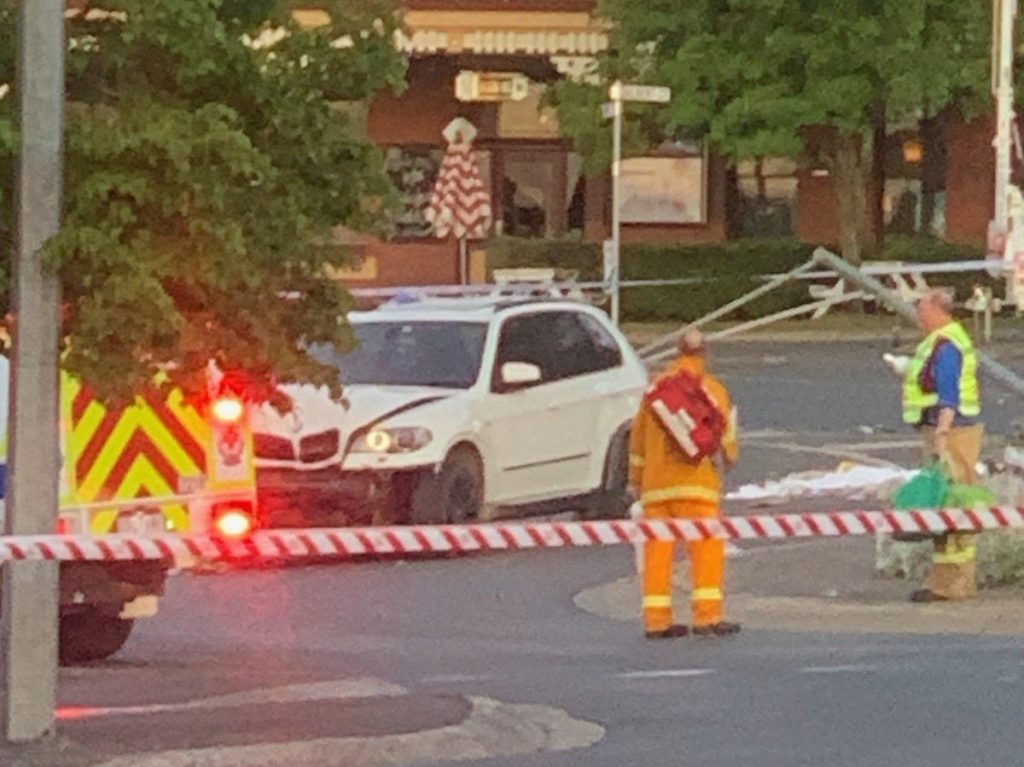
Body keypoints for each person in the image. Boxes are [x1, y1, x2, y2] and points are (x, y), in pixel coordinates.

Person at [629, 329, 740, 639]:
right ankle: (707, 617)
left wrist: (637, 481)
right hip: (697, 485)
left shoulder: (654, 391)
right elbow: (726, 441)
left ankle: (656, 621)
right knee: (705, 550)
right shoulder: (713, 389)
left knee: (658, 553)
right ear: (704, 354)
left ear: (676, 352)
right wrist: (727, 460)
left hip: (656, 487)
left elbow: (637, 442)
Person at [902, 287, 984, 602]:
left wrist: (941, 433)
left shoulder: (945, 345)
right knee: (945, 503)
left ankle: (955, 584)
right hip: (949, 429)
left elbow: (948, 393)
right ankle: (944, 581)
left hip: (951, 431)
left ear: (938, 310)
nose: (919, 315)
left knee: (954, 503)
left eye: (923, 308)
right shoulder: (942, 341)